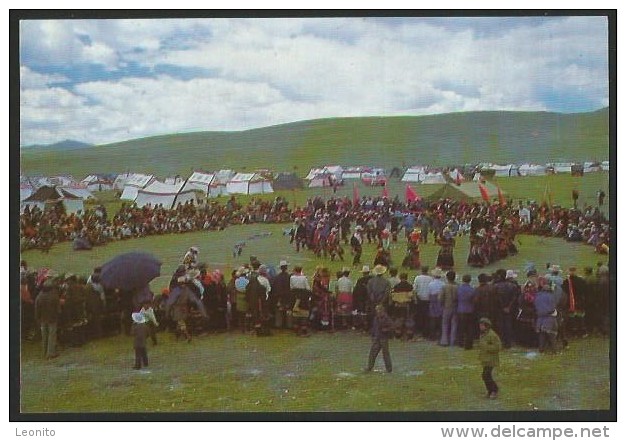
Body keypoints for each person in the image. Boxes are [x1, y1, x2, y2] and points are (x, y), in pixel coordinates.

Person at [35, 279, 60, 360]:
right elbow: (58, 308)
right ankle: (51, 353)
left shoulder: (39, 296)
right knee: (51, 336)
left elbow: (37, 309)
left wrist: (38, 318)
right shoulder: (54, 295)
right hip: (52, 318)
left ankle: (44, 351)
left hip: (42, 319)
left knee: (44, 336)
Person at [365, 304, 394, 373]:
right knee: (372, 353)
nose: (377, 312)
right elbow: (374, 328)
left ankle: (389, 369)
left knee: (385, 354)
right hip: (377, 338)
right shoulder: (376, 318)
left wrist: (386, 329)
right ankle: (369, 367)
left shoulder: (386, 318)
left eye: (378, 310)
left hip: (383, 338)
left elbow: (392, 327)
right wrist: (372, 335)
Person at [478, 317, 501, 399]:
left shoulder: (492, 335)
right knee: (485, 375)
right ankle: (490, 390)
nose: (480, 327)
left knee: (486, 375)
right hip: (486, 359)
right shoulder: (483, 334)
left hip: (491, 360)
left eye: (482, 325)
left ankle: (494, 390)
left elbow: (497, 347)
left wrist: (487, 347)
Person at [534, 278, 559, 354]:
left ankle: (541, 350)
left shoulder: (537, 296)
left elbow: (535, 306)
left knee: (542, 335)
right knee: (552, 335)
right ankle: (554, 350)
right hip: (549, 318)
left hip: (540, 318)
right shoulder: (551, 296)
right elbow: (552, 307)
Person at [457, 274, 477, 349]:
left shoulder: (459, 288)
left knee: (461, 327)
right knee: (470, 328)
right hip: (470, 310)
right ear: (470, 280)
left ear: (462, 280)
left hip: (460, 310)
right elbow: (474, 300)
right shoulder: (472, 289)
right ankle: (469, 344)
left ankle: (460, 343)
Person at [439, 270, 458, 347]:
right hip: (455, 307)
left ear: (447, 278)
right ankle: (452, 340)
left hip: (446, 307)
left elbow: (440, 298)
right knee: (454, 324)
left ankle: (444, 341)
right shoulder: (457, 286)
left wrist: (442, 305)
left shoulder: (444, 287)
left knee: (445, 324)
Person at [413, 266, 432, 338]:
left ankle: (419, 331)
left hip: (419, 299)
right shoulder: (430, 279)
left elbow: (414, 289)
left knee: (419, 316)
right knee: (426, 316)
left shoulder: (418, 278)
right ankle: (425, 332)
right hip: (427, 299)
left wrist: (415, 299)